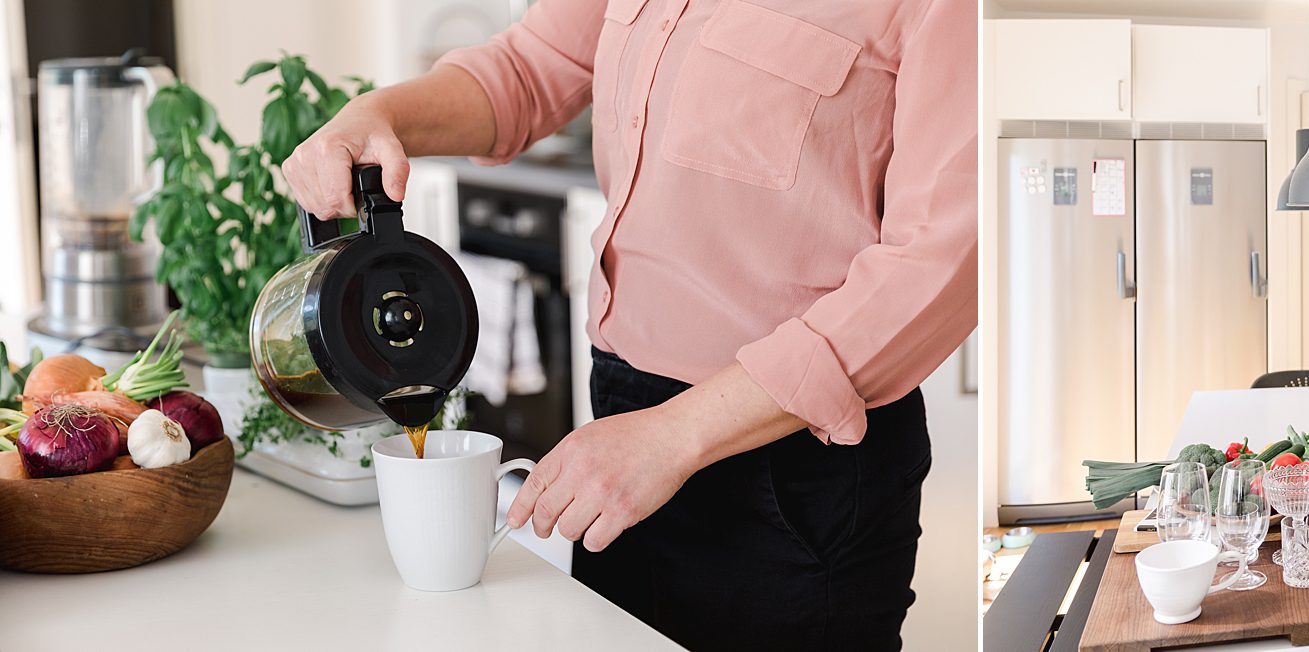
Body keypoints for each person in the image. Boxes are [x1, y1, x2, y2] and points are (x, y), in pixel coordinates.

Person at [280, 0, 976, 649]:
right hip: (621, 421)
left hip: (795, 469)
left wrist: (675, 435)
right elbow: (526, 71)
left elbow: (940, 261)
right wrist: (378, 115)